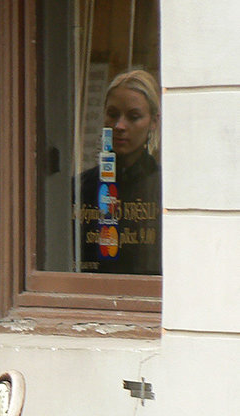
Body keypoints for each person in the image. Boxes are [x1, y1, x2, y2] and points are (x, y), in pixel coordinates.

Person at [78, 69, 161, 274]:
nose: (119, 126)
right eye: (113, 115)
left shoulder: (165, 189)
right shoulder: (81, 187)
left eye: (133, 117)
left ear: (154, 122)